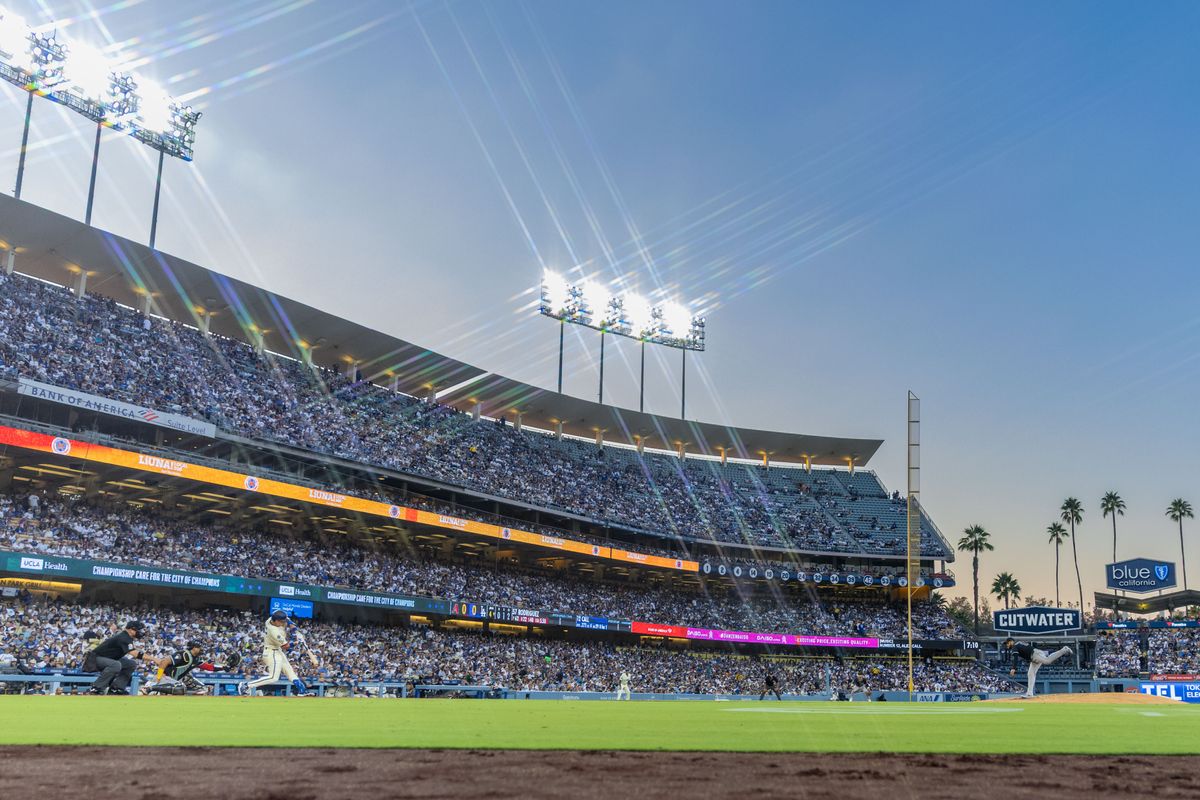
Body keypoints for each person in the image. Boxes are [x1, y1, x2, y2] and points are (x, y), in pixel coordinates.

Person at [239, 611, 313, 697]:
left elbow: (288, 621)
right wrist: (296, 641)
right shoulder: (273, 631)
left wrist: (292, 627)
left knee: (290, 672)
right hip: (271, 652)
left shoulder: (271, 619)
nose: (283, 623)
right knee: (273, 677)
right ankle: (246, 685)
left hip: (277, 651)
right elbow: (286, 646)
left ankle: (302, 691)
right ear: (276, 621)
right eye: (281, 622)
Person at [87, 621, 156, 695]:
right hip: (94, 659)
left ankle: (116, 688)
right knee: (116, 665)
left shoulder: (127, 637)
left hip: (108, 659)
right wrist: (155, 659)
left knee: (131, 664)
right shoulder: (123, 637)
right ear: (131, 629)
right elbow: (135, 654)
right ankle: (96, 688)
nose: (141, 632)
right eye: (139, 630)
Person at [1004, 638, 1073, 698]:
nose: (1007, 645)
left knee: (1047, 661)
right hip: (1034, 656)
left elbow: (1015, 657)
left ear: (1011, 641)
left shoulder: (1014, 646)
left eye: (1007, 643)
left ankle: (1064, 649)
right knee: (1030, 674)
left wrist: (1013, 668)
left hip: (1035, 654)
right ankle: (1029, 693)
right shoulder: (1019, 643)